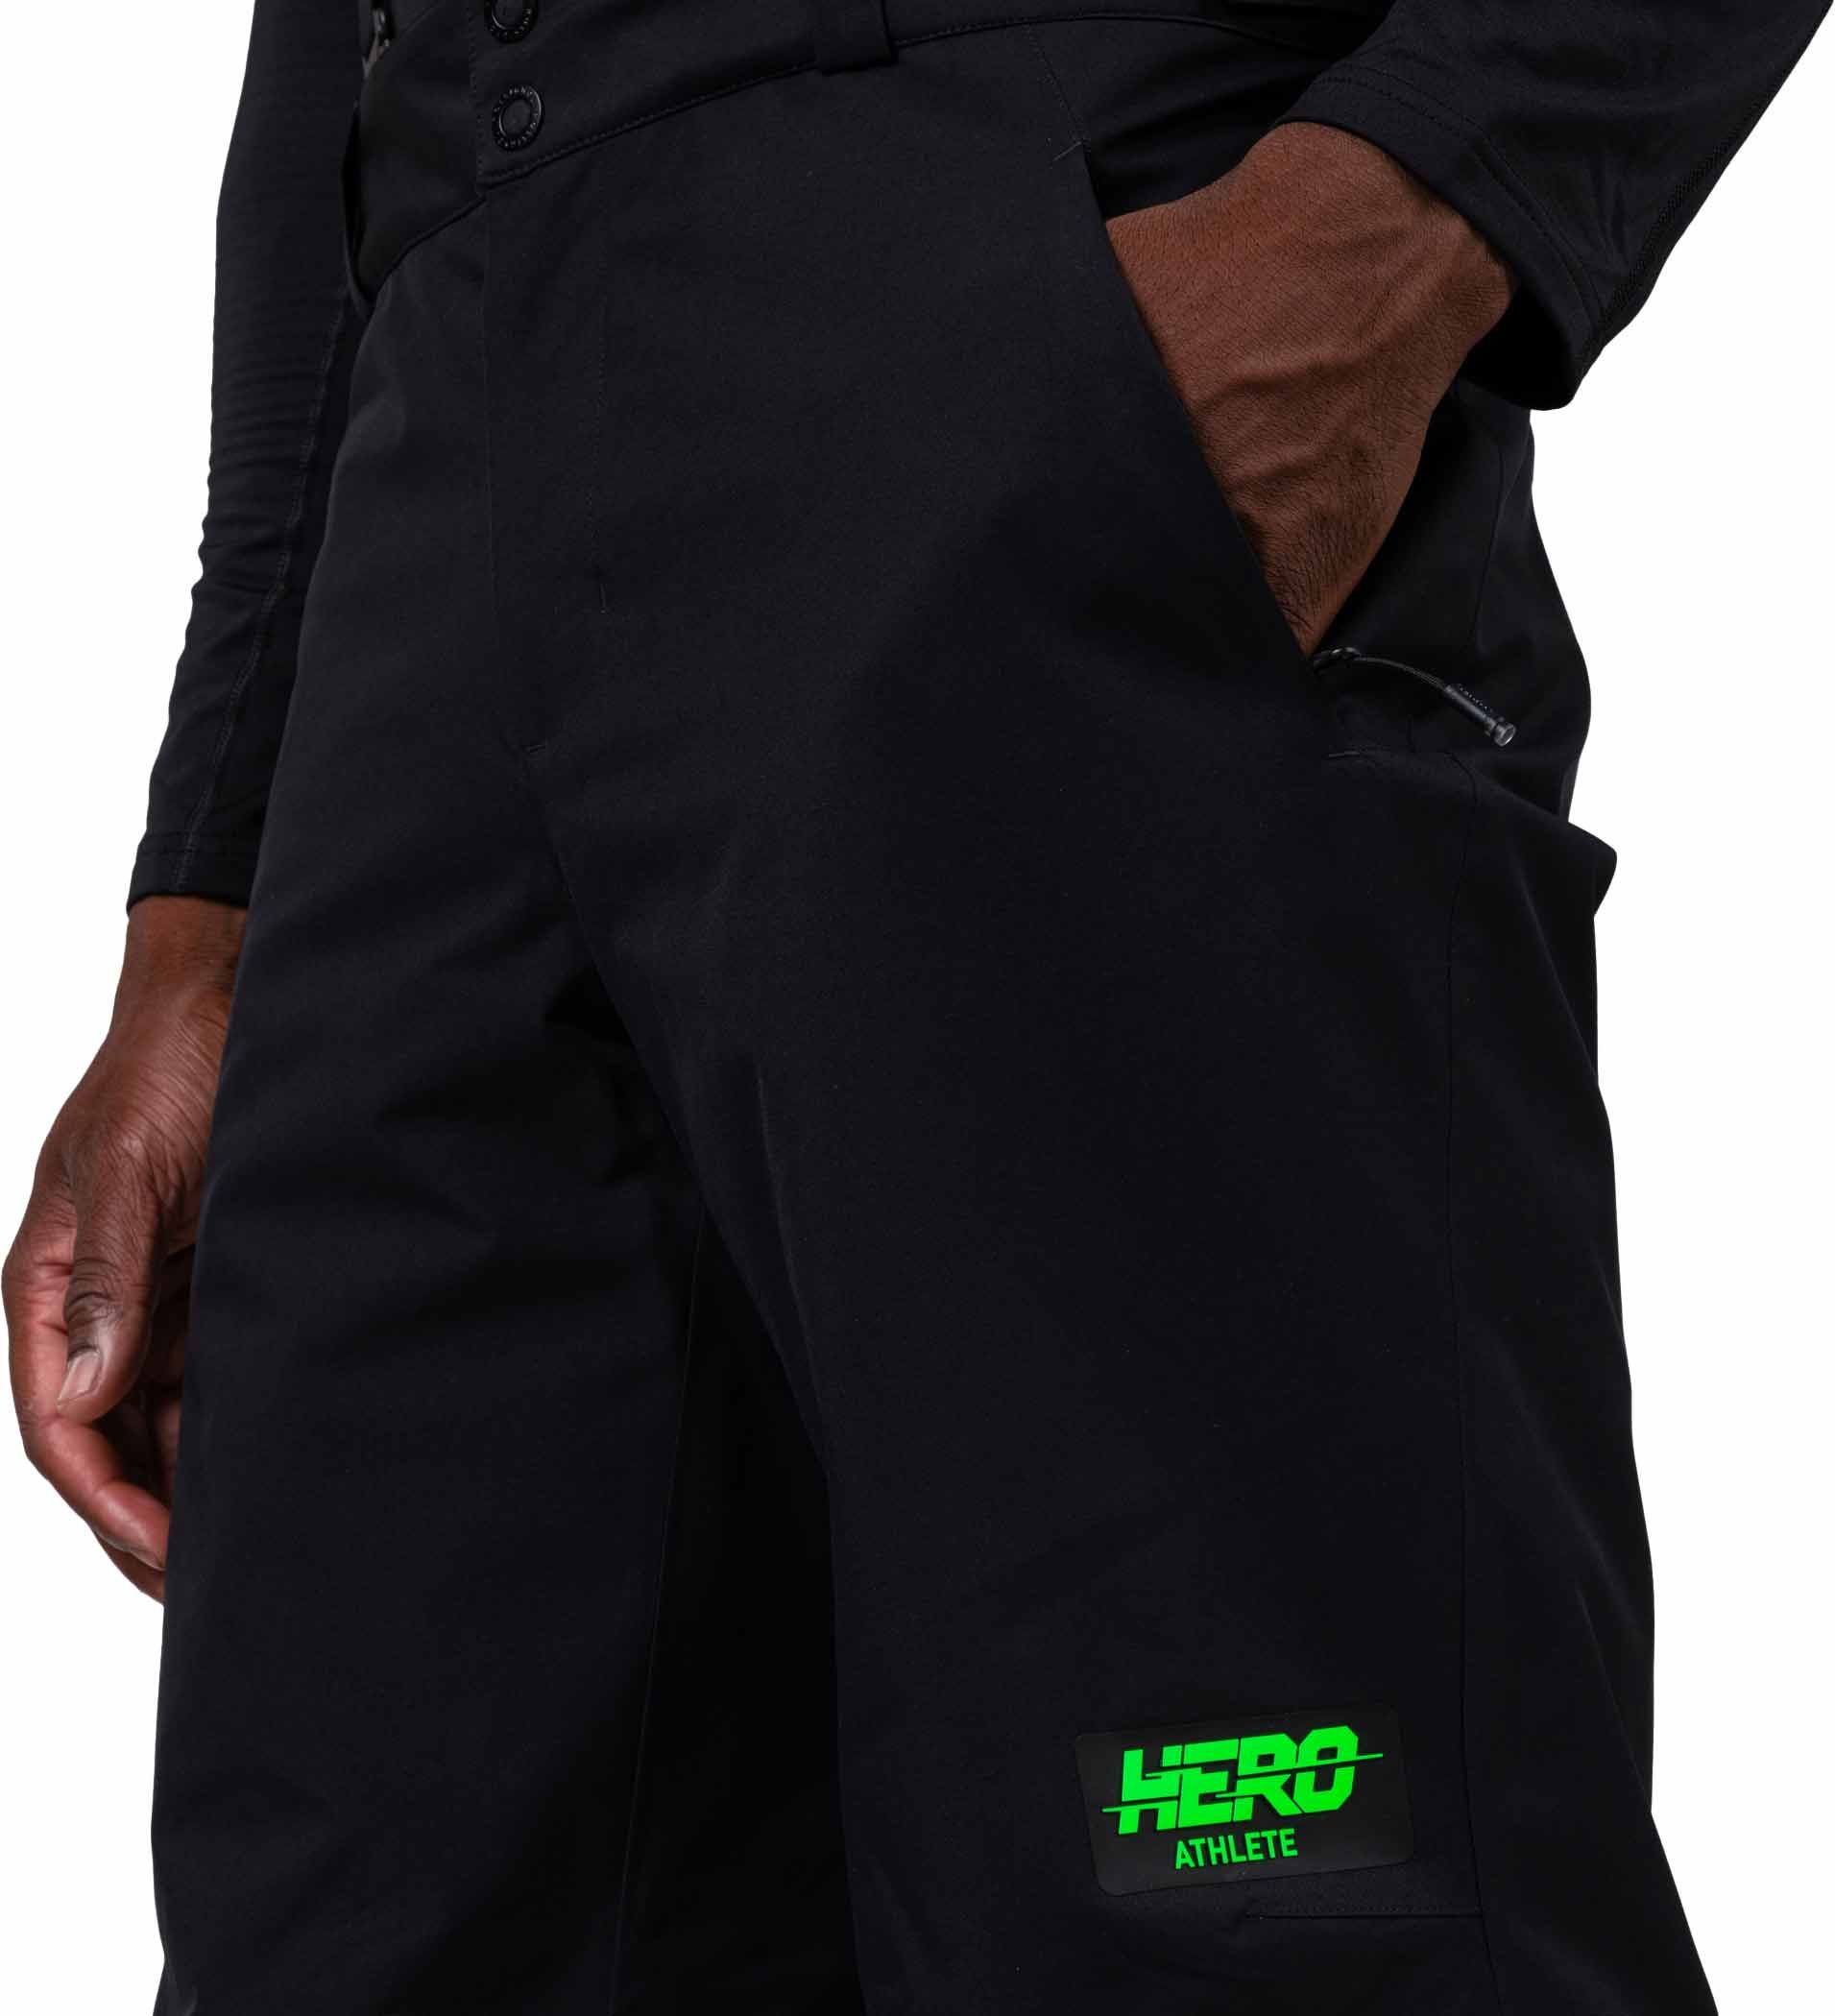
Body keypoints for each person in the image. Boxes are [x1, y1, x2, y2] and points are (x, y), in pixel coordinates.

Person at [7, 0, 1824, 2007]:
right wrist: (208, 891)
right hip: (430, 523)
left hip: (1048, 301)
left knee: (1244, 1888)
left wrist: (1416, 198)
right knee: (366, 1922)